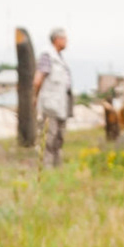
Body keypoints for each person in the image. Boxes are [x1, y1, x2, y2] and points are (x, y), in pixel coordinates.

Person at [32, 28, 74, 167]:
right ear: (57, 39)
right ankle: (46, 168)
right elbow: (38, 80)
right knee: (49, 138)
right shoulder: (47, 55)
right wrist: (34, 97)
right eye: (65, 39)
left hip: (61, 104)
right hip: (51, 105)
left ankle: (56, 168)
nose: (67, 42)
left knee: (58, 138)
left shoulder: (59, 57)